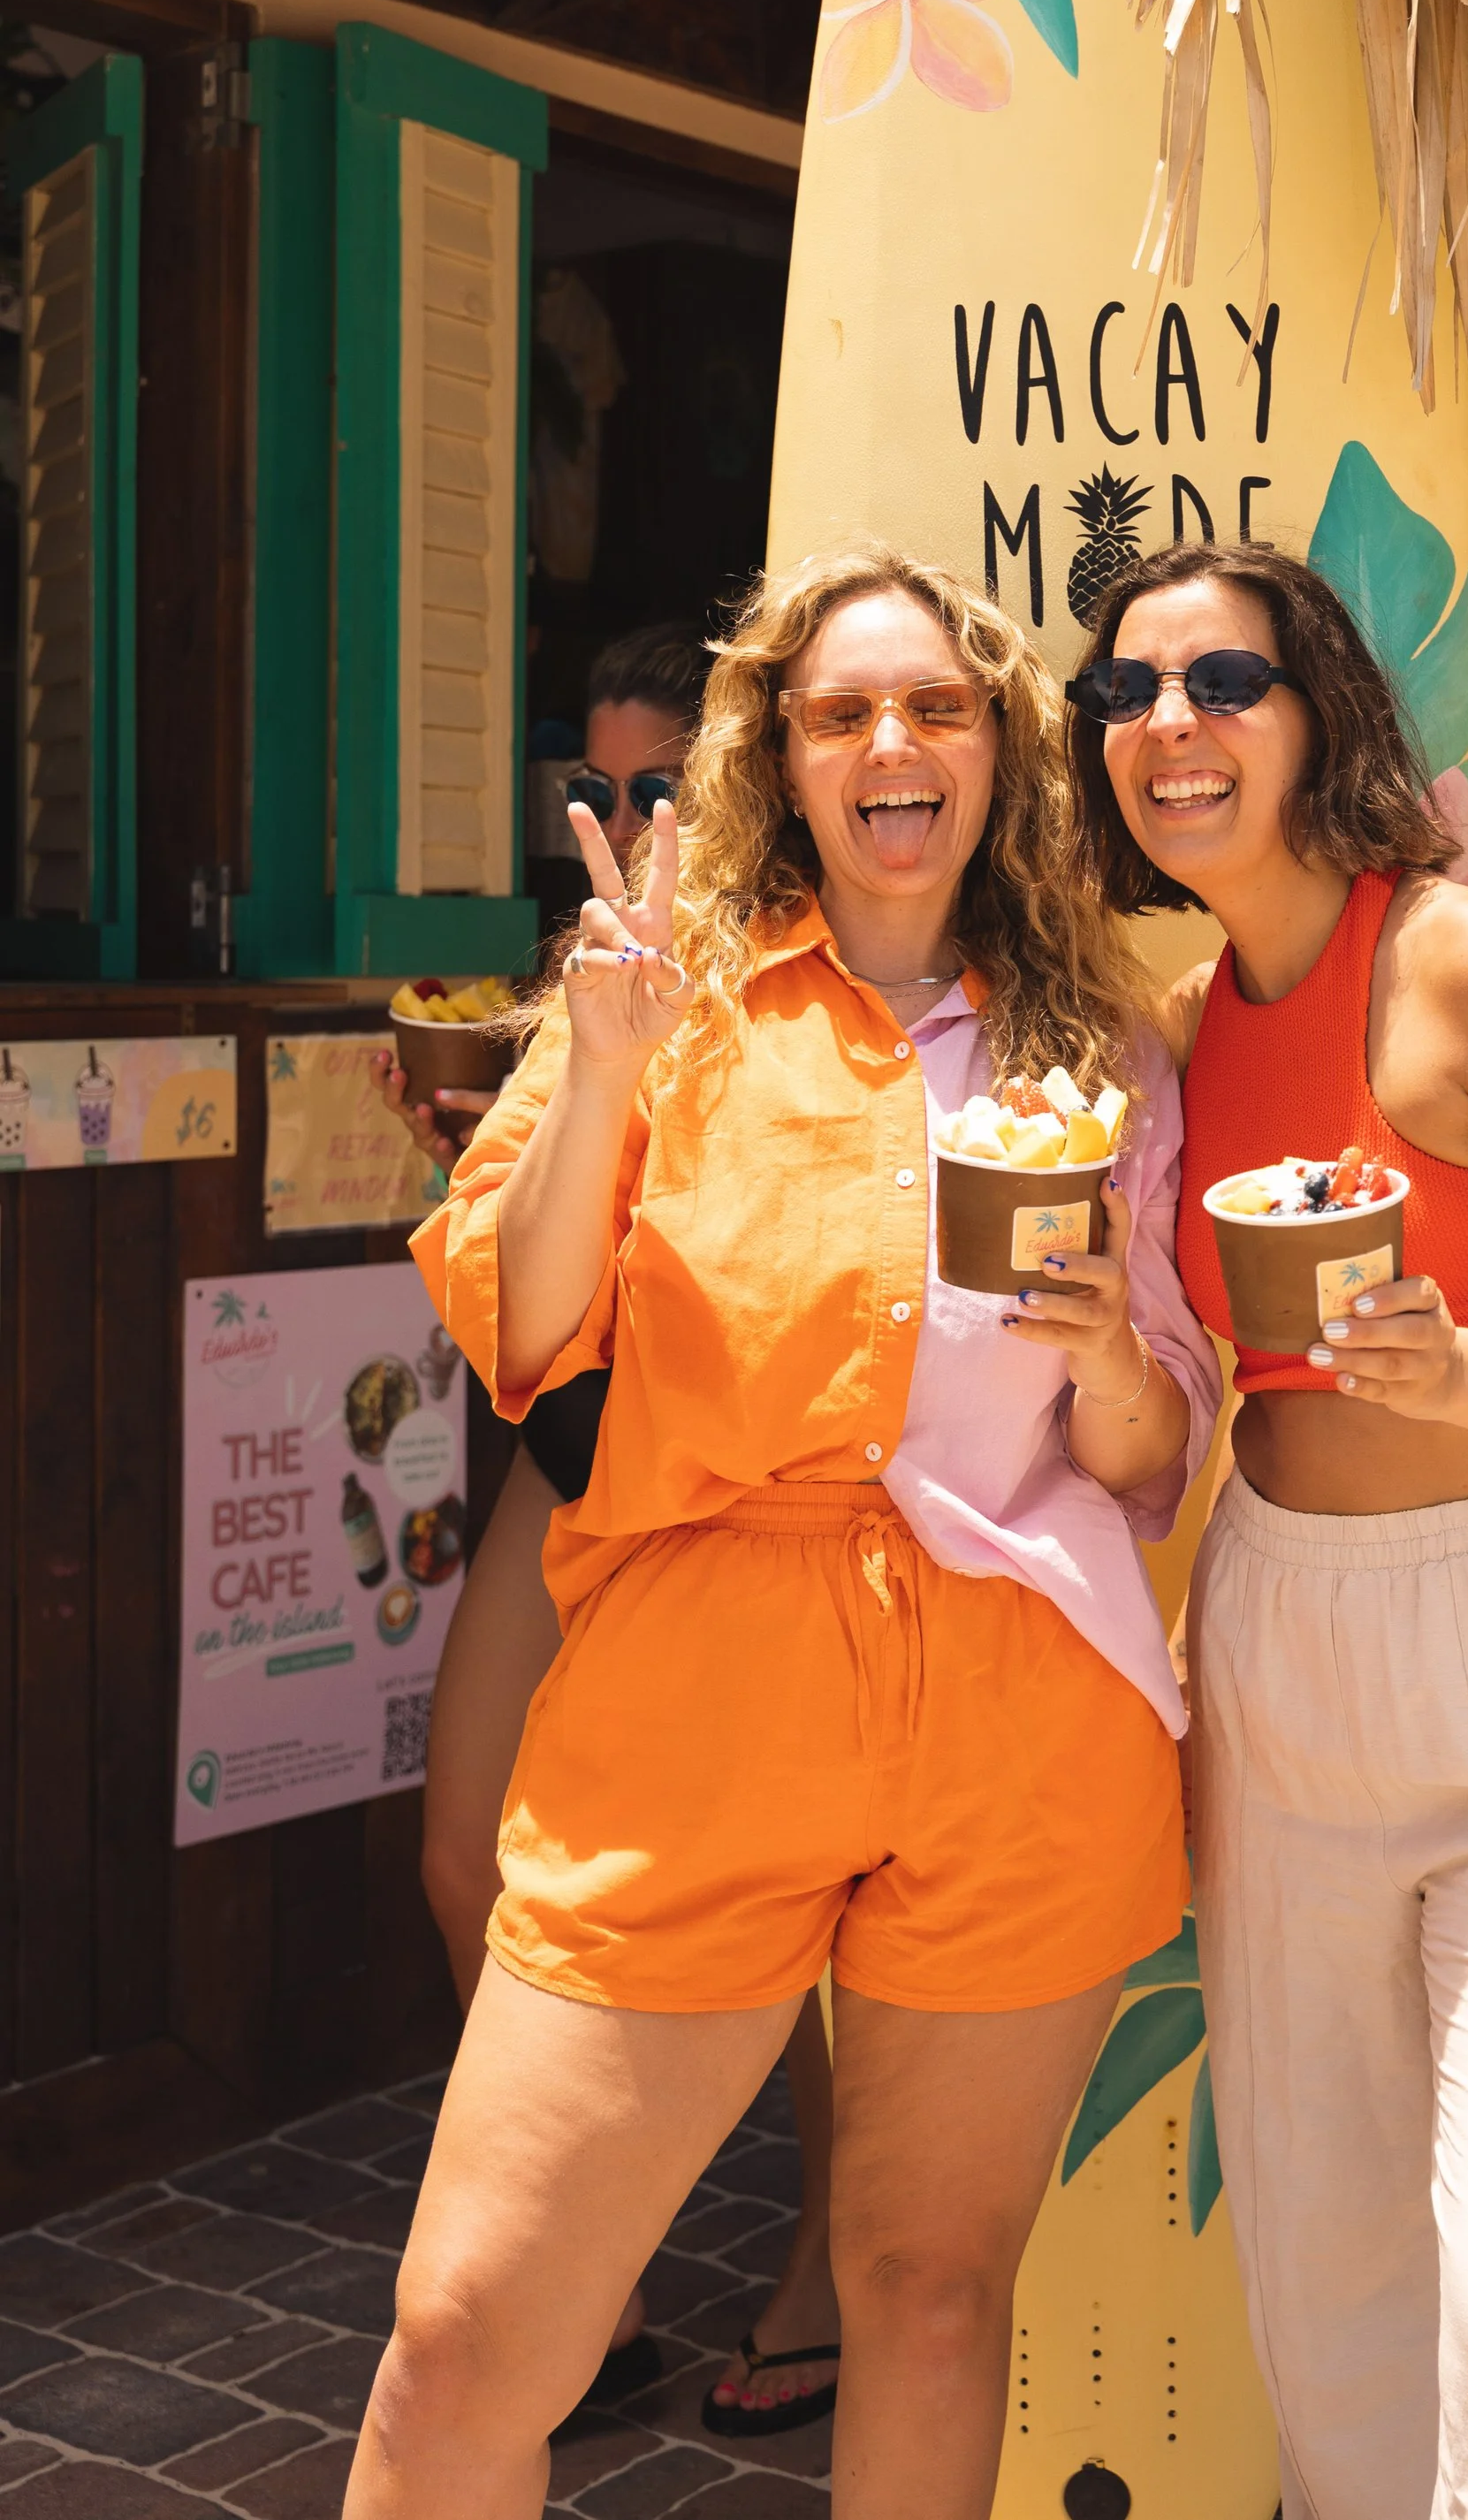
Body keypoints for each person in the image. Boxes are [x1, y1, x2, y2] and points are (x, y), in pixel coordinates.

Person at [346, 546, 1218, 2520]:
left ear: (994, 744)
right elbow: (523, 1318)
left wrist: (1099, 1342)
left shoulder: (1099, 1042)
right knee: (470, 2331)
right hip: (701, 1687)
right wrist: (612, 1073)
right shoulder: (672, 991)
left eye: (932, 705)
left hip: (1020, 1712)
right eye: (840, 714)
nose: (890, 743)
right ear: (785, 755)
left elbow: (1152, 1441)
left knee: (921, 2298)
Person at [1065, 538, 1468, 2520]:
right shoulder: (1180, 1026)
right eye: (1123, 695)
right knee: (1331, 2312)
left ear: (1317, 710)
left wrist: (1462, 1378)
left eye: (1221, 682)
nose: (1166, 725)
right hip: (1285, 1661)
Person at [377, 623, 838, 2436]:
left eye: (660, 783)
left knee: (804, 1930)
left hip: (729, 1495)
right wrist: (487, 1128)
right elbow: (523, 1273)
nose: (627, 814)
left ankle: (822, 2269)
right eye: (596, 787)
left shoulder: (804, 964)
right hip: (570, 1454)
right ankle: (603, 2290)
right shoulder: (583, 961)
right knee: (463, 1857)